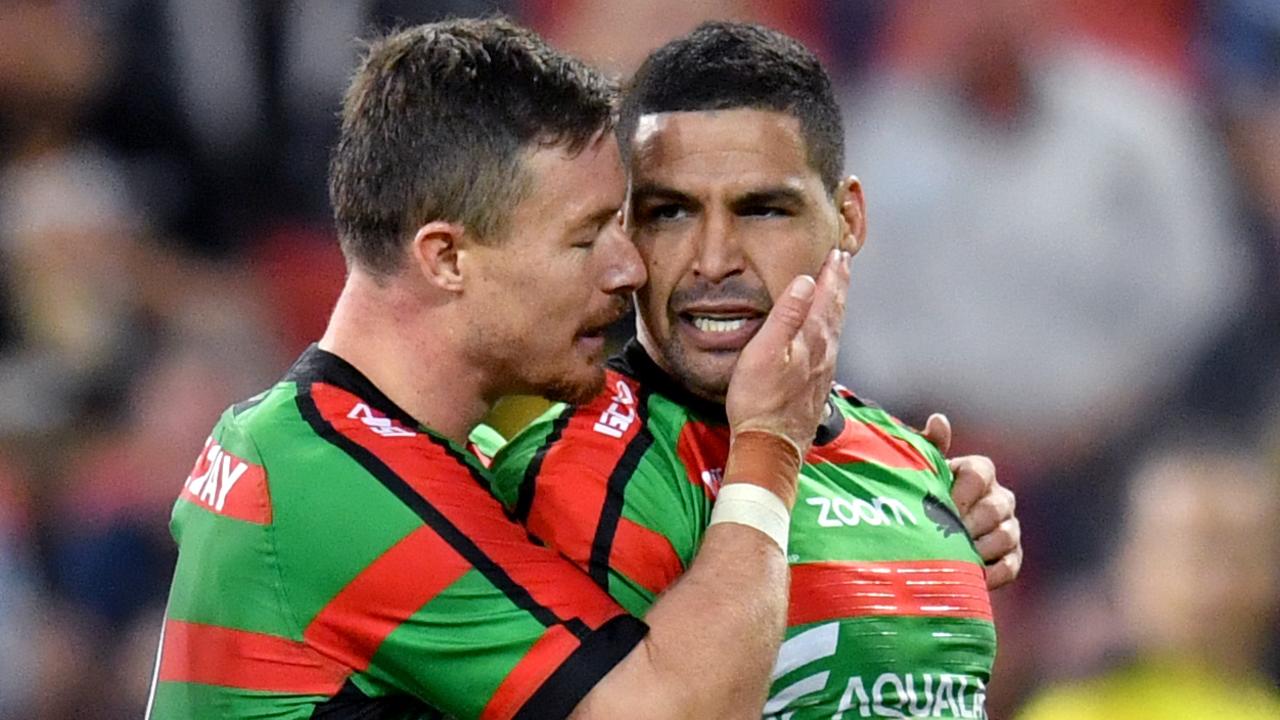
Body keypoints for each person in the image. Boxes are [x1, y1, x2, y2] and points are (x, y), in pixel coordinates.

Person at [147, 18, 852, 719]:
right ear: (447, 258)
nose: (627, 267)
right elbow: (677, 712)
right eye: (586, 238)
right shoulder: (322, 481)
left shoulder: (340, 447)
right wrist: (769, 443)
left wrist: (917, 502)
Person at [490, 22, 1020, 718]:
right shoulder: (575, 477)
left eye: (763, 209)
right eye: (670, 212)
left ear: (848, 218)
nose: (713, 260)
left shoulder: (913, 462)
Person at [1015, 440, 1280, 719]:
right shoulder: (1076, 710)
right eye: (1192, 556)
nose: (1219, 587)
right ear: (1128, 564)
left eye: (1241, 557)